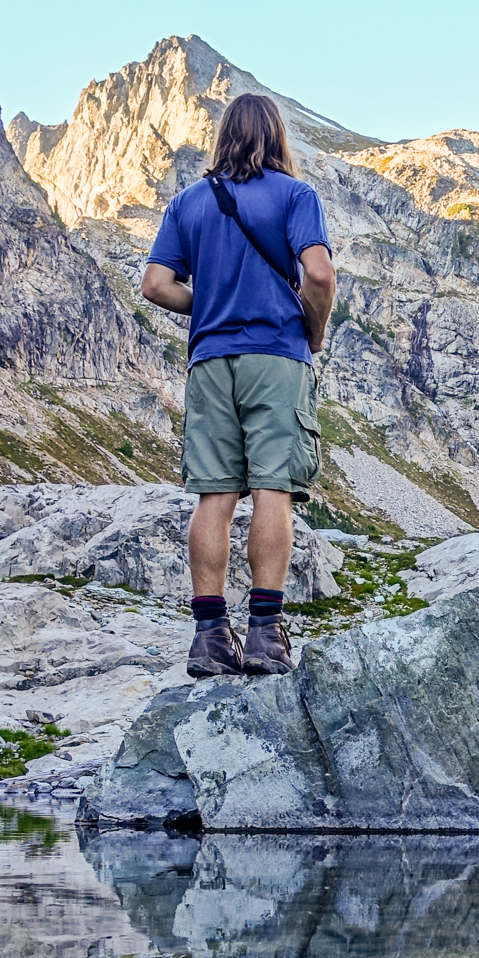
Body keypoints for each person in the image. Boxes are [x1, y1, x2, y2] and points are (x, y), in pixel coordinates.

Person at [141, 94, 337, 678]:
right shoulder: (295, 195)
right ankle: (263, 636)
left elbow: (154, 285)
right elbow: (319, 273)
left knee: (215, 496)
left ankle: (208, 638)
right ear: (276, 136)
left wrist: (210, 305)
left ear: (223, 136)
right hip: (276, 357)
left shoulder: (189, 202)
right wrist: (315, 331)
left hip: (209, 362)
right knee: (273, 490)